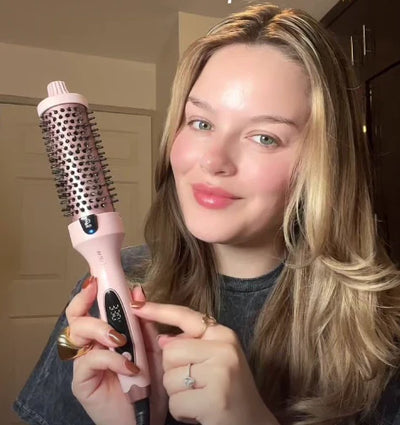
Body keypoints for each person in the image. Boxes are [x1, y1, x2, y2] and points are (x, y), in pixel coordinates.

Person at [14, 3, 400, 425]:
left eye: (265, 137)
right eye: (200, 123)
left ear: (323, 164)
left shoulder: (384, 327)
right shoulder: (104, 294)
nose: (214, 161)